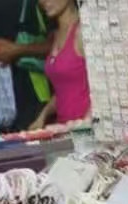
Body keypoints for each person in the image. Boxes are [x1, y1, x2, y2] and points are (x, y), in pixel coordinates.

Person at [0, 0, 53, 132]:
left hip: (35, 94)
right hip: (0, 98)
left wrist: (17, 50)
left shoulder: (42, 3)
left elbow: (59, 45)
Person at [30, 0, 88, 129]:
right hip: (64, 129)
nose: (42, 1)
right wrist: (43, 116)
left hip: (85, 130)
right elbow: (65, 89)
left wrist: (85, 126)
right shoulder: (57, 34)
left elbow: (102, 88)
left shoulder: (83, 31)